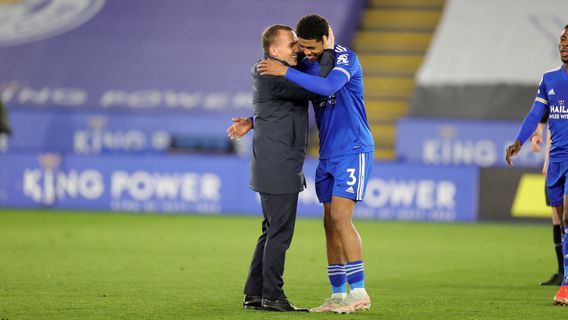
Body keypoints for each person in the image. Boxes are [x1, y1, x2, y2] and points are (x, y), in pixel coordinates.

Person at [257, 14, 375, 314]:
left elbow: (328, 88)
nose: (306, 53)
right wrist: (251, 121)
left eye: (311, 47)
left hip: (353, 148)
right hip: (328, 154)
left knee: (340, 218)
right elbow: (289, 100)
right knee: (328, 223)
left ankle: (359, 291)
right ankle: (338, 295)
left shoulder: (346, 59)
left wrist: (284, 73)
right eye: (302, 47)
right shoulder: (310, 64)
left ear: (326, 39)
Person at [228, 24, 335, 312]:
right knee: (280, 233)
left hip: (274, 162)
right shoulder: (272, 71)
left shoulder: (272, 71)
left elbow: (275, 105)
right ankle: (273, 296)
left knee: (271, 230)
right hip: (278, 164)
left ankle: (254, 293)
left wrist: (252, 120)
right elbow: (318, 86)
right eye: (292, 44)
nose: (298, 49)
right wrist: (327, 51)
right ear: (274, 50)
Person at [505, 24, 568, 305]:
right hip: (556, 160)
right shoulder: (550, 79)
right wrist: (518, 142)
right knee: (562, 220)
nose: (564, 42)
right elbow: (535, 115)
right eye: (562, 38)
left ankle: (566, 285)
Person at [530, 113, 564, 286]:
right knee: (556, 216)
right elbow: (546, 122)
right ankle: (562, 271)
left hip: (561, 164)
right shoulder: (554, 102)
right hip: (554, 164)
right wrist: (547, 161)